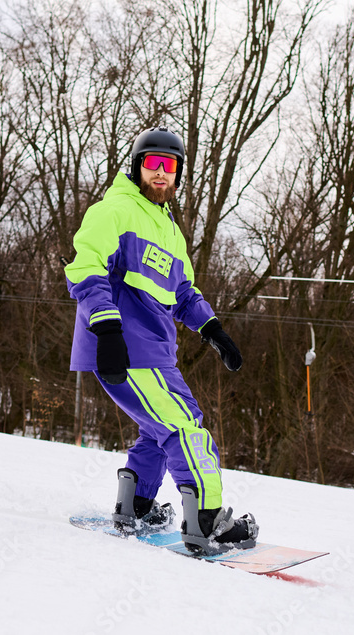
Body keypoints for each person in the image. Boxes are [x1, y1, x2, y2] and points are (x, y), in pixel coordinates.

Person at [64, 126, 259, 554]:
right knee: (184, 428)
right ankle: (206, 522)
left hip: (157, 352)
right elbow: (85, 271)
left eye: (168, 166)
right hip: (124, 348)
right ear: (137, 167)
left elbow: (184, 293)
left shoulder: (170, 232)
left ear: (178, 176)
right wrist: (108, 329)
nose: (160, 173)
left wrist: (213, 330)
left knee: (171, 421)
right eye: (151, 163)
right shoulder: (112, 211)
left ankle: (137, 506)